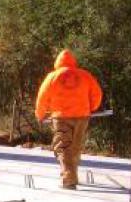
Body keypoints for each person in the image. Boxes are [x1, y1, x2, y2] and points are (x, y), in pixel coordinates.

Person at [34, 49, 103, 190]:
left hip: (61, 117)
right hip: (82, 116)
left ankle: (69, 179)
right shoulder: (85, 75)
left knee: (63, 147)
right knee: (75, 147)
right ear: (73, 62)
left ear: (57, 62)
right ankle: (73, 175)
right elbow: (97, 94)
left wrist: (40, 114)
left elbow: (42, 97)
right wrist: (92, 108)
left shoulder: (52, 77)